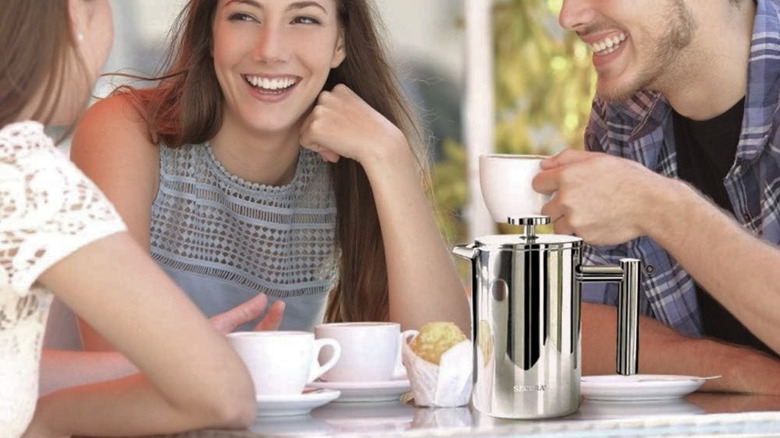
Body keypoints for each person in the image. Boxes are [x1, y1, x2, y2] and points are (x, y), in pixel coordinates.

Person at [69, 0, 471, 350]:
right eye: (244, 15)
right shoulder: (129, 132)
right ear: (211, 33)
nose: (270, 50)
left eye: (304, 19)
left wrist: (390, 157)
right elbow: (115, 358)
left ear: (340, 42)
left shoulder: (353, 156)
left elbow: (440, 355)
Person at [1, 0, 258, 436]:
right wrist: (50, 419)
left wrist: (173, 348)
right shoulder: (24, 176)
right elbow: (224, 395)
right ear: (74, 15)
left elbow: (13, 368)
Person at [534, 0, 780, 393]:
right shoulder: (625, 114)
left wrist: (660, 208)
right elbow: (579, 328)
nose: (569, 16)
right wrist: (735, 370)